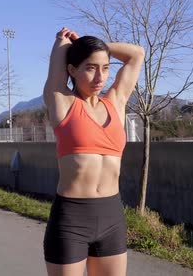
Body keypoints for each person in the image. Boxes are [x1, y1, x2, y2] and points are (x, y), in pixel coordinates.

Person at [43, 27, 144, 276]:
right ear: (72, 70)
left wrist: (96, 46)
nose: (100, 77)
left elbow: (137, 54)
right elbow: (57, 67)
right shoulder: (62, 102)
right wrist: (64, 42)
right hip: (71, 219)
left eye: (106, 67)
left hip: (112, 217)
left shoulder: (116, 102)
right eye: (90, 67)